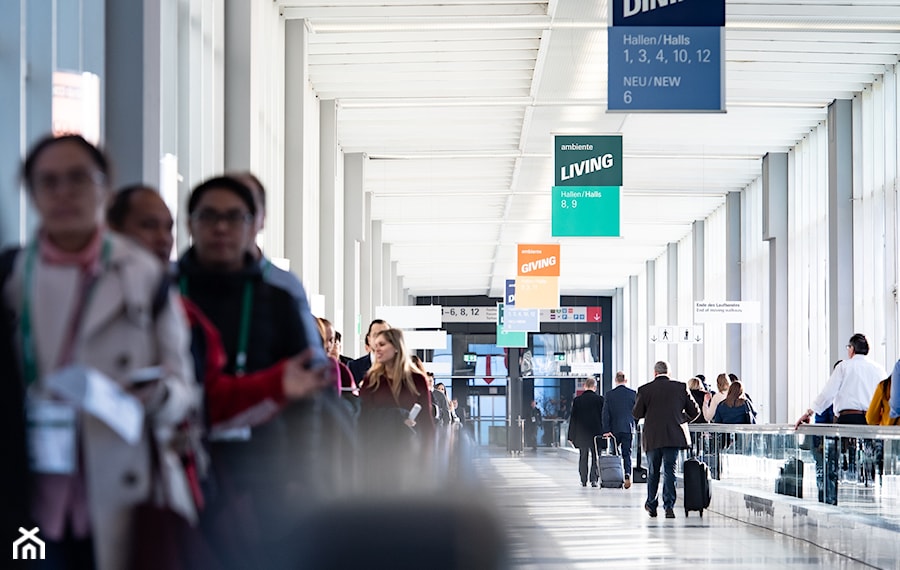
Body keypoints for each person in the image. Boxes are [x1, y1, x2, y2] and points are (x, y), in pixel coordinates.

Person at [2, 134, 198, 569]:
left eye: (78, 178)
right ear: (31, 193)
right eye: (47, 182)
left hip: (119, 477)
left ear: (104, 188)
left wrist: (158, 395)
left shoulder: (145, 275)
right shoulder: (12, 277)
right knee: (28, 555)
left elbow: (184, 386)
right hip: (30, 481)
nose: (63, 193)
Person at [176, 175, 333, 567]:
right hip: (179, 463)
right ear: (191, 223)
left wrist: (304, 474)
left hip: (263, 464)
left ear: (253, 224)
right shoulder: (163, 292)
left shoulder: (277, 298)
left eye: (235, 216)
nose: (222, 227)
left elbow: (307, 393)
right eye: (208, 216)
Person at [358, 328, 435, 491]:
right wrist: (398, 417)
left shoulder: (417, 380)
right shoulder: (372, 380)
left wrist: (426, 458)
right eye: (375, 345)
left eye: (382, 344)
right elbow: (363, 419)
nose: (376, 348)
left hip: (408, 451)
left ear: (396, 347)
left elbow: (427, 423)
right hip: (378, 451)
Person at [633, 361, 700, 519]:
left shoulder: (645, 389)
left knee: (653, 471)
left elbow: (636, 414)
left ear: (655, 373)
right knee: (670, 471)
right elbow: (695, 411)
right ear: (669, 373)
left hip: (653, 437)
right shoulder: (680, 387)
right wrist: (680, 419)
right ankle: (668, 506)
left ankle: (651, 504)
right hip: (673, 436)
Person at [795, 333, 886, 428]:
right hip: (871, 421)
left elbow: (827, 393)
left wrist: (809, 413)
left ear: (852, 349)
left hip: (848, 419)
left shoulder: (843, 366)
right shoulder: (879, 369)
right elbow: (885, 396)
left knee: (846, 442)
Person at [567, 378, 605, 487]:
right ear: (595, 387)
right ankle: (594, 479)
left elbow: (573, 419)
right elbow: (604, 418)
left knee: (583, 456)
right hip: (597, 433)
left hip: (582, 433)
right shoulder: (600, 400)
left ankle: (583, 480)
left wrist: (571, 436)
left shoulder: (577, 400)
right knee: (596, 456)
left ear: (584, 386)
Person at [602, 371, 637, 489]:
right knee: (627, 453)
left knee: (614, 454)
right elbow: (637, 412)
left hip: (614, 429)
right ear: (626, 380)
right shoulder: (633, 394)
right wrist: (634, 424)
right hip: (628, 428)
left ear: (615, 380)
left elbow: (605, 413)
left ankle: (615, 476)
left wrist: (606, 429)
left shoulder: (610, 394)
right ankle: (628, 474)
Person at [349, 319, 391, 384]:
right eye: (376, 335)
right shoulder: (354, 367)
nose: (380, 339)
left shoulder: (399, 366)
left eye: (385, 335)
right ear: (369, 340)